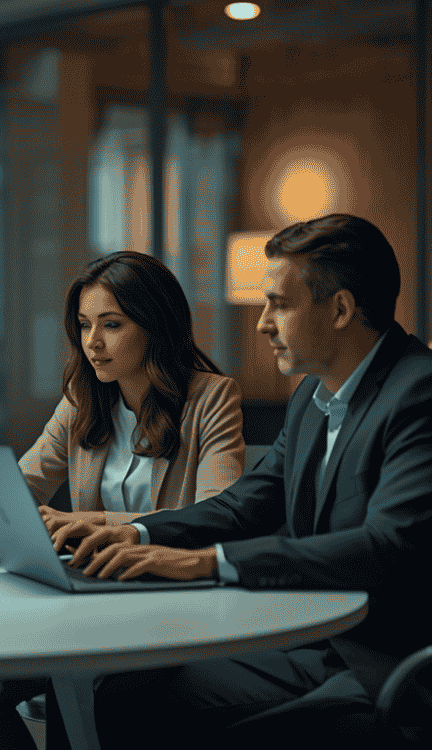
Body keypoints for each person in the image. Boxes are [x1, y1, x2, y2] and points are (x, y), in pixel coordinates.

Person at [52, 214, 432, 749]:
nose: (262, 324)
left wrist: (208, 562)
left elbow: (387, 546)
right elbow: (247, 503)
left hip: (383, 662)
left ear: (341, 309)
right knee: (115, 691)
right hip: (314, 638)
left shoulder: (418, 393)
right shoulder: (313, 397)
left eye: (279, 303)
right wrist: (140, 534)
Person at [0, 250, 246, 750]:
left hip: (167, 602)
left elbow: (215, 515)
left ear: (155, 325)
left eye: (111, 325)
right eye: (84, 325)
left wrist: (88, 521)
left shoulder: (212, 399)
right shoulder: (82, 400)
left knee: (85, 692)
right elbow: (20, 486)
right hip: (84, 596)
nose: (92, 343)